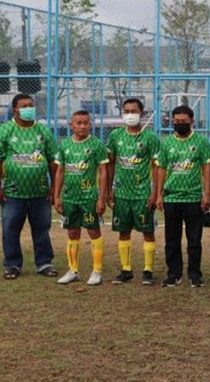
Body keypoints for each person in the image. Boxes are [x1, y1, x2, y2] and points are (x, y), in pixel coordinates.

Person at [0, 93, 58, 279]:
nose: (29, 108)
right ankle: (12, 265)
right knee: (10, 229)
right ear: (15, 109)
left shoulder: (43, 131)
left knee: (41, 229)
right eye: (24, 106)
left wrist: (53, 187)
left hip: (40, 192)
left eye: (31, 105)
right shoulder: (5, 130)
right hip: (12, 192)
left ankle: (44, 263)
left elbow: (53, 161)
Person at [155, 105, 210, 287]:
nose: (180, 124)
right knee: (171, 239)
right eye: (177, 122)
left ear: (192, 121)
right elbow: (161, 168)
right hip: (171, 198)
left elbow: (206, 167)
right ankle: (174, 273)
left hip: (193, 197)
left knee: (194, 239)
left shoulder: (201, 142)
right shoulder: (166, 143)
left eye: (184, 122)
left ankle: (195, 274)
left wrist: (206, 194)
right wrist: (158, 194)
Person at [106, 98, 160, 285]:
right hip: (121, 194)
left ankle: (148, 270)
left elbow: (156, 167)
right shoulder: (115, 136)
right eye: (126, 111)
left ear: (142, 113)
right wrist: (109, 191)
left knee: (147, 232)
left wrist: (154, 193)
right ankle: (126, 269)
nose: (130, 114)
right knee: (123, 231)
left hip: (143, 194)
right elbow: (111, 163)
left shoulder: (150, 137)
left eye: (134, 111)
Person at [54, 110, 109, 285]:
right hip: (70, 198)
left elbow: (103, 171)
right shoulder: (64, 146)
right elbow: (60, 171)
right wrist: (56, 196)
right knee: (72, 232)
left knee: (93, 231)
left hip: (89, 198)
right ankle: (73, 270)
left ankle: (97, 271)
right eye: (79, 123)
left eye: (86, 122)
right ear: (72, 124)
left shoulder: (96, 145)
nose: (83, 126)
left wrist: (101, 198)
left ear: (90, 124)